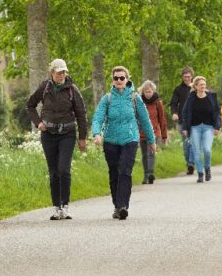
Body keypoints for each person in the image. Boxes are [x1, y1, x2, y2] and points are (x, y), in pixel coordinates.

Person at [26, 58, 88, 220]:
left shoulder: (72, 90)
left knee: (63, 170)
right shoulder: (44, 87)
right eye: (59, 72)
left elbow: (82, 115)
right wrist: (38, 123)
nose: (62, 75)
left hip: (67, 134)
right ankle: (56, 208)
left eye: (64, 72)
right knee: (53, 172)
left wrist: (82, 138)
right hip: (48, 135)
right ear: (51, 72)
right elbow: (30, 105)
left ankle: (65, 206)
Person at [91, 66, 156, 220]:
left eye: (122, 78)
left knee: (125, 171)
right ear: (113, 80)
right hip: (111, 140)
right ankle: (116, 205)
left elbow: (145, 120)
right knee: (114, 172)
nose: (119, 80)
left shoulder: (135, 98)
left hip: (130, 139)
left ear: (127, 79)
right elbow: (98, 117)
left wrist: (151, 140)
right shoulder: (107, 98)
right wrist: (96, 133)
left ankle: (123, 206)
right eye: (116, 78)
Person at [181, 76, 222, 182]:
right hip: (195, 127)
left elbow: (217, 113)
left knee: (207, 150)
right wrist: (185, 127)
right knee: (196, 152)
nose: (203, 86)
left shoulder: (211, 96)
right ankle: (200, 173)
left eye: (204, 84)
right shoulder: (191, 97)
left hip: (208, 127)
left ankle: (207, 168)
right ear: (195, 86)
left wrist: (217, 126)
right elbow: (185, 113)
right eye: (201, 85)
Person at [139, 80, 168, 185]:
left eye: (150, 91)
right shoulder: (139, 102)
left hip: (154, 132)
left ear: (153, 91)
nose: (148, 94)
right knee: (144, 154)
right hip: (141, 132)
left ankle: (150, 173)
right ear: (143, 92)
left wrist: (164, 135)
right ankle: (146, 174)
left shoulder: (157, 102)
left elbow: (162, 119)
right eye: (146, 92)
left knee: (151, 153)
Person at [170, 67, 195, 175]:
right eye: (185, 77)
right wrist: (174, 113)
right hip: (183, 120)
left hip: (196, 119)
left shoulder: (196, 88)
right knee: (186, 143)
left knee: (193, 142)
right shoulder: (178, 89)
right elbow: (174, 103)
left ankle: (191, 163)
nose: (187, 79)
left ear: (192, 77)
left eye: (189, 77)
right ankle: (188, 162)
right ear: (182, 77)